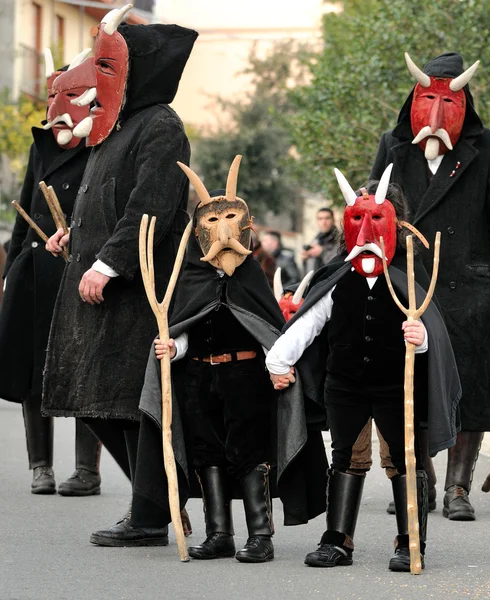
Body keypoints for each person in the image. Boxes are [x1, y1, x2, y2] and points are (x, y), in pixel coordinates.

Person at [116, 156, 327, 559]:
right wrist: (172, 347)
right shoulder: (191, 275)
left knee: (249, 453)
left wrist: (277, 365)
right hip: (197, 378)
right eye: (211, 222)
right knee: (205, 453)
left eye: (230, 218)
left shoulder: (250, 274)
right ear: (199, 232)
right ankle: (219, 534)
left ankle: (260, 536)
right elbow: (185, 329)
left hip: (244, 374)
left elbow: (266, 326)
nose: (221, 229)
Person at [43, 5, 197, 539]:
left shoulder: (161, 126)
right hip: (103, 289)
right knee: (99, 401)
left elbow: (149, 207)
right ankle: (159, 502)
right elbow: (106, 201)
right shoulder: (117, 126)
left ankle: (154, 512)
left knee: (136, 404)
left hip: (140, 294)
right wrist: (75, 235)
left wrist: (109, 262)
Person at [266, 165, 461, 571]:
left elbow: (434, 335)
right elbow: (309, 322)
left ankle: (411, 542)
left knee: (403, 459)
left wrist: (420, 338)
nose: (367, 231)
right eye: (359, 219)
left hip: (396, 385)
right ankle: (337, 540)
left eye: (376, 219)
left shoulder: (409, 275)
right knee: (346, 458)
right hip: (346, 384)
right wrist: (278, 359)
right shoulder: (337, 276)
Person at [371, 52, 490, 521]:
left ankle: (458, 487)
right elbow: (374, 215)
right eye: (428, 98)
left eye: (448, 100)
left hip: (470, 289)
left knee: (472, 386)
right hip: (408, 290)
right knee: (408, 384)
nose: (437, 111)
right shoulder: (392, 147)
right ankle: (421, 477)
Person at [0, 49, 102, 496]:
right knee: (32, 369)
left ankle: (87, 470)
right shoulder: (40, 145)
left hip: (79, 272)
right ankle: (40, 466)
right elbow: (26, 210)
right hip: (35, 273)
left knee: (85, 369)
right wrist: (14, 268)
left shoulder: (100, 144)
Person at [301, 207, 340, 272]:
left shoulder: (340, 239)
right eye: (320, 219)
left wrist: (322, 252)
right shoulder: (316, 240)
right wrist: (305, 259)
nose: (323, 222)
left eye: (327, 218)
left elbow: (338, 262)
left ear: (333, 220)